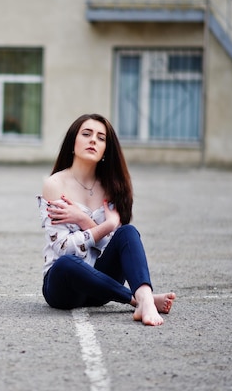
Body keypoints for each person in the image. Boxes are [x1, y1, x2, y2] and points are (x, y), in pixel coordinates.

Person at [37, 113, 175, 326]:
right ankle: (134, 300)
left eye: (101, 138)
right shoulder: (55, 184)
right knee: (66, 263)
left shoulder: (112, 188)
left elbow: (116, 247)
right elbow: (63, 248)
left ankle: (146, 298)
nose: (93, 140)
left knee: (128, 232)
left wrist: (84, 220)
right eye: (86, 134)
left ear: (105, 151)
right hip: (65, 288)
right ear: (72, 143)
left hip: (101, 288)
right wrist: (105, 226)